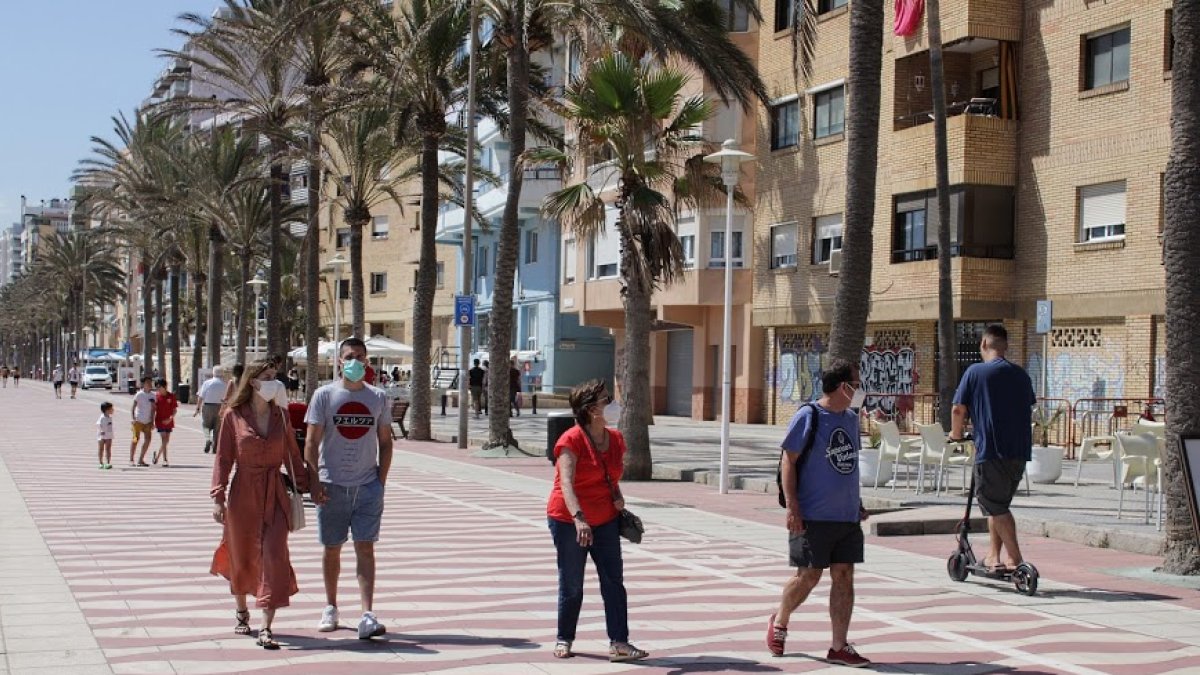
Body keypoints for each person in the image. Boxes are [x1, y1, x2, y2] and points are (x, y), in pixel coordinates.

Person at [768, 359, 871, 668]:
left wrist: (857, 501)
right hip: (812, 515)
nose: (860, 389)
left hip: (846, 517)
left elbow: (847, 465)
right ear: (844, 387)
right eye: (856, 382)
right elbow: (789, 461)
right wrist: (793, 507)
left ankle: (839, 645)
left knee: (844, 576)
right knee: (808, 576)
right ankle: (781, 620)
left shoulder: (852, 419)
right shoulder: (808, 416)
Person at [210, 359, 310, 650]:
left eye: (275, 377)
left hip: (275, 492)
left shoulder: (281, 416)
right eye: (268, 377)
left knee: (274, 555)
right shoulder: (233, 416)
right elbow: (223, 459)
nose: (274, 383)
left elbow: (292, 452)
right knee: (241, 553)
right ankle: (242, 609)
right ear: (253, 382)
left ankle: (266, 626)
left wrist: (307, 486)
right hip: (243, 493)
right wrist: (218, 497)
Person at [546, 380, 647, 662]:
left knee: (613, 581)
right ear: (592, 410)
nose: (612, 404)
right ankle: (564, 638)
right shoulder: (571, 440)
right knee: (572, 582)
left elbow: (612, 475)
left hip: (605, 519)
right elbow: (566, 483)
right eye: (607, 400)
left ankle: (620, 642)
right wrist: (579, 519)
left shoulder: (615, 439)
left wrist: (617, 495)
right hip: (568, 520)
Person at [304, 337, 393, 639]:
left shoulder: (378, 397)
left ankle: (367, 614)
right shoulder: (324, 395)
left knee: (365, 548)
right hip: (332, 485)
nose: (355, 361)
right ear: (339, 360)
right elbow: (311, 442)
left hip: (367, 485)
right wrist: (314, 481)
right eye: (349, 356)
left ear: (367, 361)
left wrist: (380, 482)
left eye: (360, 356)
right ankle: (331, 606)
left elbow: (385, 441)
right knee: (332, 549)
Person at [950, 323, 1036, 574]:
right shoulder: (1021, 375)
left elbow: (958, 409)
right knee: (997, 504)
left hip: (991, 450)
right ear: (1006, 345)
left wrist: (956, 436)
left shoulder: (975, 372)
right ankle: (993, 556)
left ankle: (1016, 560)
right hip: (1019, 451)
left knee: (994, 505)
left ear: (984, 344)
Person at [195, 366, 229, 453]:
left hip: (208, 406)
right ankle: (215, 447)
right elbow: (227, 398)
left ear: (213, 373)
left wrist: (198, 408)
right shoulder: (225, 384)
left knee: (206, 426)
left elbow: (201, 396)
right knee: (217, 428)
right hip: (220, 407)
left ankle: (207, 439)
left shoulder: (207, 383)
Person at [129, 377, 156, 467]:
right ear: (143, 384)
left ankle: (141, 459)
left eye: (150, 382)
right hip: (138, 420)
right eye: (147, 383)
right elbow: (133, 407)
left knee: (148, 440)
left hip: (147, 421)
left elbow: (153, 410)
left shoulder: (153, 395)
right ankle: (131, 459)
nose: (149, 384)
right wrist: (133, 418)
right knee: (135, 439)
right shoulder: (139, 394)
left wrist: (152, 421)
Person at [152, 379, 178, 467]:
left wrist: (170, 418)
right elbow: (153, 410)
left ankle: (157, 456)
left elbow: (174, 410)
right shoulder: (156, 397)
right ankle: (164, 459)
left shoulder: (171, 396)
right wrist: (152, 422)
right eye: (157, 387)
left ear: (165, 387)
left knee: (167, 440)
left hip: (169, 420)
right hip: (160, 420)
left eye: (160, 387)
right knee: (164, 439)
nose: (158, 389)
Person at [97, 401, 114, 470]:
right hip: (102, 435)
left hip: (109, 435)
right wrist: (101, 431)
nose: (113, 410)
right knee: (101, 449)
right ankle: (101, 463)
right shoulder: (102, 417)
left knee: (108, 449)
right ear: (107, 410)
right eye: (111, 409)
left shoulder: (109, 417)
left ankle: (108, 462)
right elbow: (98, 424)